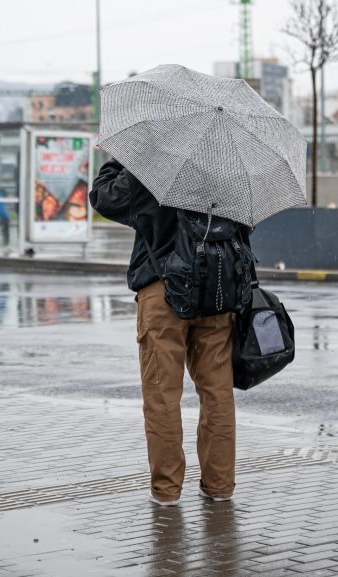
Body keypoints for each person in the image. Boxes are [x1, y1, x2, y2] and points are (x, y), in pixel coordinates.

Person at [91, 159, 236, 507]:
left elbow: (105, 198)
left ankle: (167, 491)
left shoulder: (156, 161)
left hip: (164, 288)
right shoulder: (227, 166)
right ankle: (219, 486)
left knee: (162, 395)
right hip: (218, 288)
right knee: (217, 392)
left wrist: (121, 158)